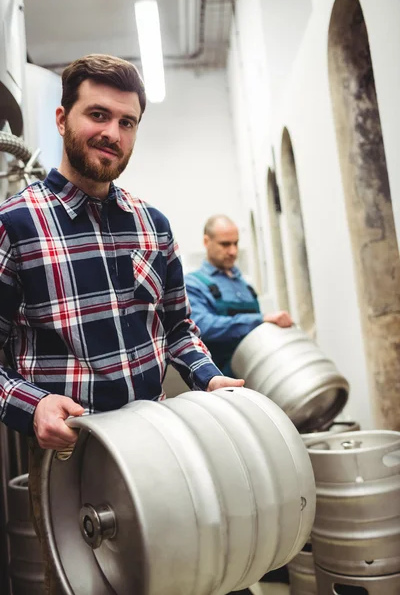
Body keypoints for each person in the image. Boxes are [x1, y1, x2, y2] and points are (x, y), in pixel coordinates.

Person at [0, 55, 242, 594]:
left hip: (155, 447)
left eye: (127, 122)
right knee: (84, 584)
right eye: (98, 115)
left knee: (163, 578)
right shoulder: (14, 226)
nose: (112, 133)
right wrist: (32, 405)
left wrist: (209, 377)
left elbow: (179, 326)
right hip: (67, 459)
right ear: (62, 118)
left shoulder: (152, 224)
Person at [185, 214, 293, 375]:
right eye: (225, 244)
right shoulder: (194, 284)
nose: (233, 251)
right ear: (206, 242)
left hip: (260, 372)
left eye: (235, 243)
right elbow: (202, 326)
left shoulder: (244, 284)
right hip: (224, 380)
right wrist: (259, 320)